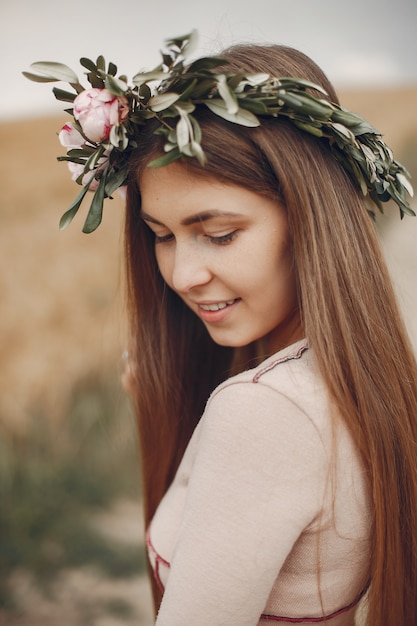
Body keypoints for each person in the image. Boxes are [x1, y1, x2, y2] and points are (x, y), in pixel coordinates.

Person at [24, 32, 417, 625]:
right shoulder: (354, 371)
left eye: (221, 233)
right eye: (161, 235)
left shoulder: (263, 415)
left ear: (310, 212)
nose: (182, 274)